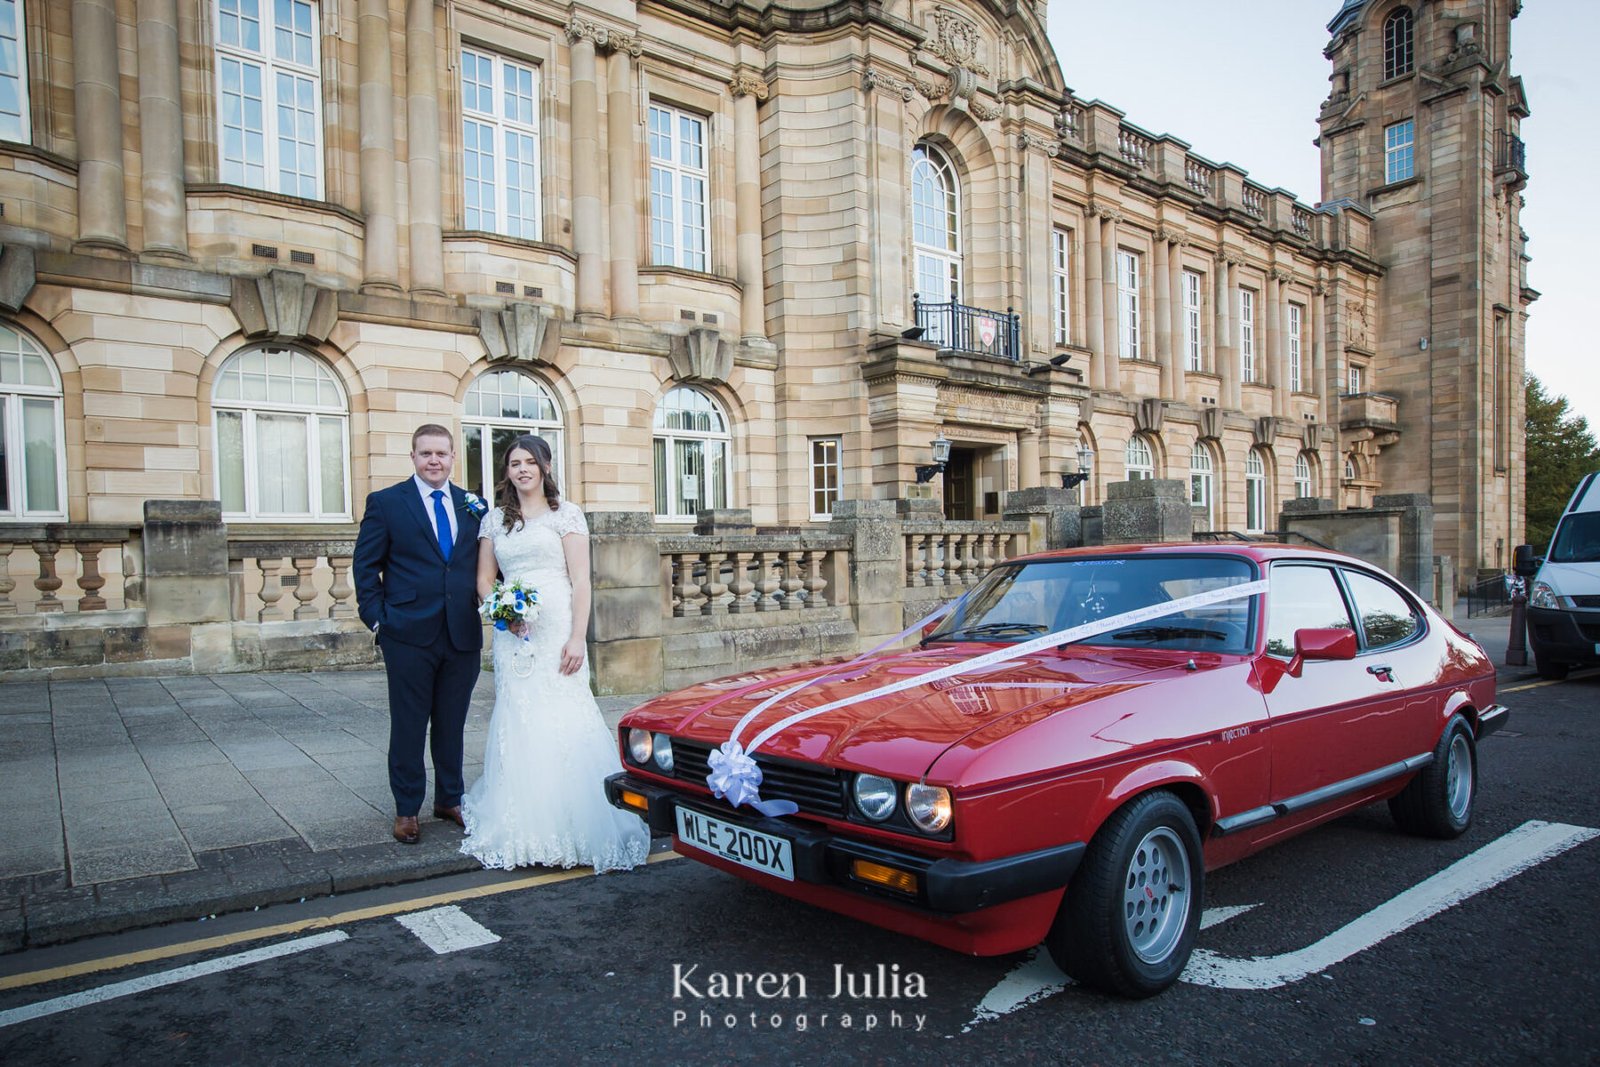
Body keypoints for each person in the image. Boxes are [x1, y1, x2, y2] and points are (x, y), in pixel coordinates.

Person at [459, 434, 650, 873]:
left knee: (564, 713)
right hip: (515, 635)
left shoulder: (567, 515)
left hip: (558, 627)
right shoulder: (494, 521)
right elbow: (484, 579)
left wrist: (577, 637)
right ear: (506, 471)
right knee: (519, 716)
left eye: (529, 461)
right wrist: (503, 614)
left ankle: (576, 818)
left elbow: (581, 580)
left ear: (545, 466)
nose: (521, 469)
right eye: (513, 463)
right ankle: (525, 820)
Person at [352, 424, 484, 845]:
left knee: (452, 723)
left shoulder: (472, 506)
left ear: (451, 459)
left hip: (461, 633)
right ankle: (407, 809)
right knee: (408, 725)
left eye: (442, 454)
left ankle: (450, 798)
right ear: (413, 457)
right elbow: (365, 566)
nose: (434, 461)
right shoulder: (388, 503)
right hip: (407, 633)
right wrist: (377, 618)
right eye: (426, 453)